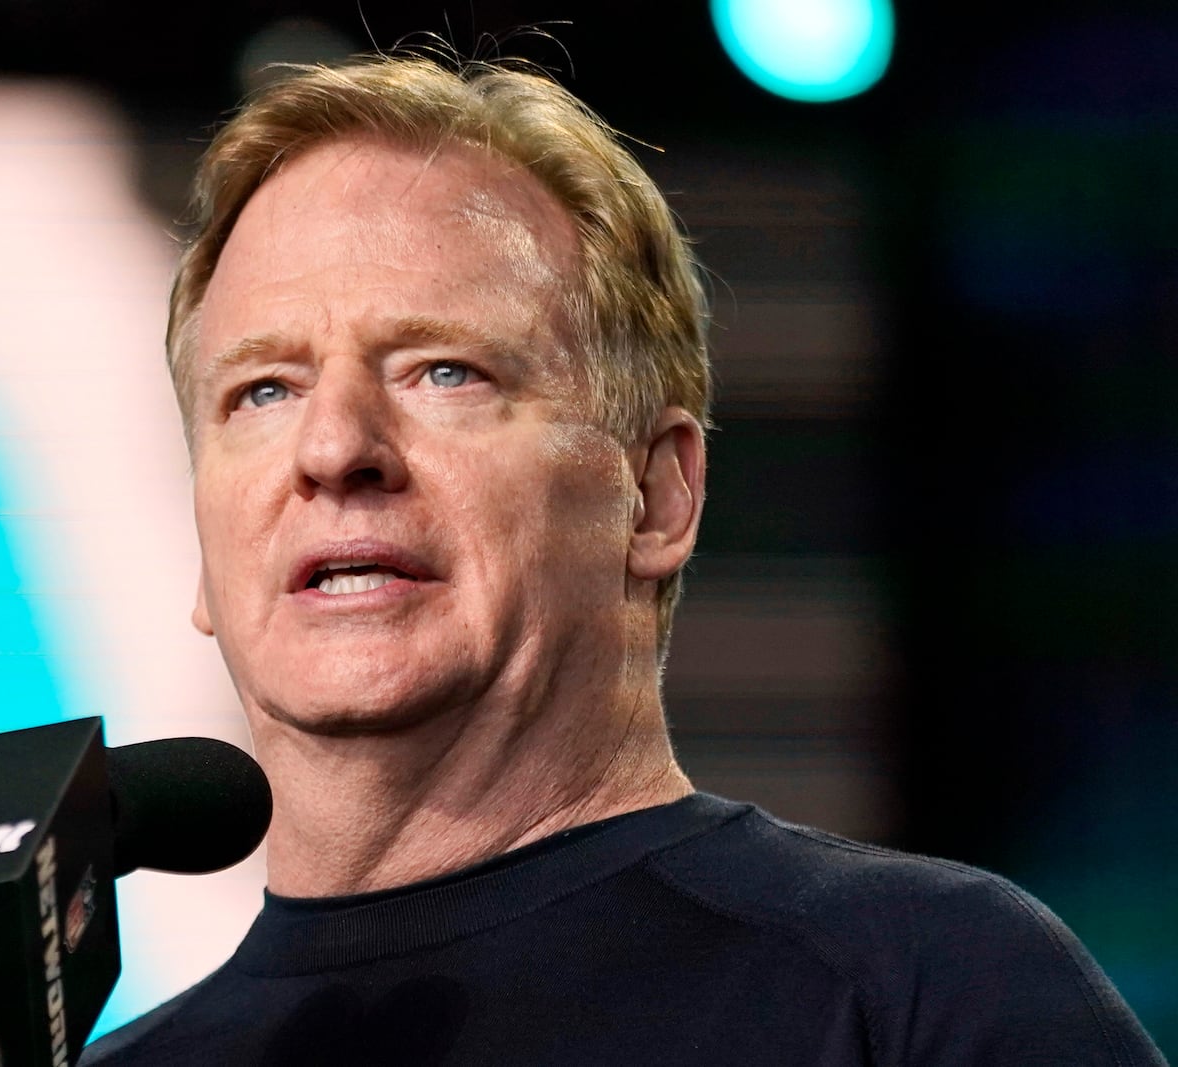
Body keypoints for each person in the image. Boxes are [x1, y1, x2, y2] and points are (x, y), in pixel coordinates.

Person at [81, 55, 1166, 1066]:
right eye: (263, 391)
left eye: (442, 371)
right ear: (201, 544)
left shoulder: (923, 987)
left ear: (654, 495)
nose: (333, 450)